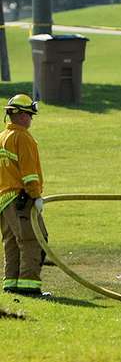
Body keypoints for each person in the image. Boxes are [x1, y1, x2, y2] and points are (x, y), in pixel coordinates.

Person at [0, 95, 49, 297]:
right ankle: (29, 287)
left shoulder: (3, 136)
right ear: (20, 116)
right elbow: (29, 173)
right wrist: (35, 196)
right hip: (21, 199)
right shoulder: (23, 138)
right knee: (32, 240)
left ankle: (11, 283)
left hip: (4, 200)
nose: (31, 119)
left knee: (11, 242)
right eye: (29, 115)